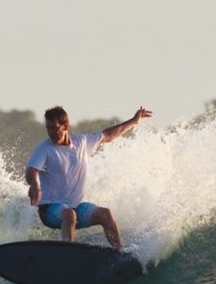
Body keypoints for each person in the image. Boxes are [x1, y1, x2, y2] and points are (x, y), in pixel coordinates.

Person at [25, 106, 153, 248]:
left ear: (66, 125)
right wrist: (34, 185)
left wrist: (134, 121)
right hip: (49, 209)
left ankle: (120, 253)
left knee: (105, 214)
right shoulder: (44, 149)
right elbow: (31, 170)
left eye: (55, 128)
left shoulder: (81, 142)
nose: (51, 133)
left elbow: (109, 135)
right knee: (69, 215)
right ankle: (68, 254)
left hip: (75, 207)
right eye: (48, 128)